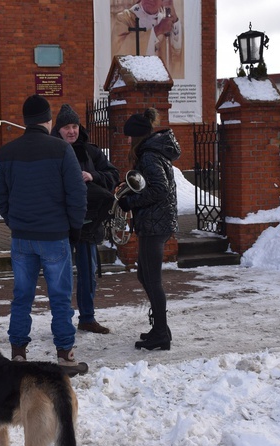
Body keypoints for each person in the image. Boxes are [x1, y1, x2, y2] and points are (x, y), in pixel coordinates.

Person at [0, 95, 89, 376]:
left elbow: (1, 196)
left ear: (25, 121)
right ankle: (65, 356)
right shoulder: (61, 149)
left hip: (22, 237)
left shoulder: (7, 151)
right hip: (55, 236)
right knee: (60, 298)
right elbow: (76, 194)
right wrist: (73, 228)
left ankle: (18, 355)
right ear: (49, 120)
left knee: (21, 296)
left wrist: (16, 222)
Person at [51, 104, 119, 335]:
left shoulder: (90, 152)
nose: (71, 131)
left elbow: (113, 174)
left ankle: (87, 318)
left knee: (88, 274)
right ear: (58, 130)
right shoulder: (52, 150)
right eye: (66, 127)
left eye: (74, 126)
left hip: (89, 225)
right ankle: (62, 320)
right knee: (60, 275)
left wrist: (94, 175)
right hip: (61, 224)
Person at [118, 107, 180, 350]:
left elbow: (159, 189)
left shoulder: (149, 156)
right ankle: (160, 328)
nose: (129, 142)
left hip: (155, 224)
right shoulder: (154, 151)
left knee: (152, 279)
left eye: (130, 138)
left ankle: (161, 334)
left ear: (137, 137)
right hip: (155, 222)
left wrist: (129, 202)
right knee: (144, 275)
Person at [111, 0, 184, 80]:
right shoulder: (125, 18)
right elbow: (118, 51)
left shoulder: (165, 20)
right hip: (135, 82)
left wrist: (175, 18)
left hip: (160, 81)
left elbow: (177, 53)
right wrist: (157, 30)